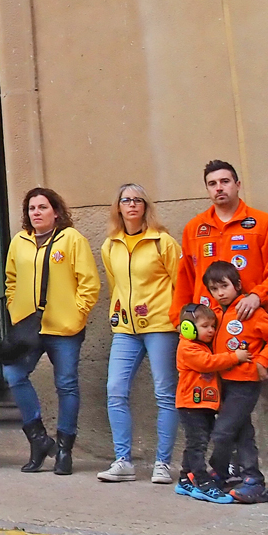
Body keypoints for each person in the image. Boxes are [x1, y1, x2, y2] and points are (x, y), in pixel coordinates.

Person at [174, 160, 268, 501]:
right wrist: (182, 324)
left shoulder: (263, 224)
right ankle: (233, 472)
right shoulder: (195, 229)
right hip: (211, 342)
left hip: (254, 337)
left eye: (225, 181)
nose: (219, 188)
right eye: (212, 183)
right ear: (207, 188)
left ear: (238, 184)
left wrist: (258, 295)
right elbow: (185, 280)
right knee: (223, 410)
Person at [3, 187, 100, 476]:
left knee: (66, 385)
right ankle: (39, 439)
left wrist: (77, 312)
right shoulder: (19, 242)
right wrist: (15, 309)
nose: (36, 212)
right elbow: (11, 280)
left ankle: (65, 449)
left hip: (64, 328)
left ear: (55, 211)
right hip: (29, 327)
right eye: (32, 208)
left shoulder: (71, 239)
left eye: (42, 207)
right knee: (14, 374)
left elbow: (89, 283)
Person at [96, 184, 182, 484]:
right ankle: (123, 460)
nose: (132, 205)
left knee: (165, 393)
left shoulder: (164, 242)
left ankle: (163, 462)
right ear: (118, 207)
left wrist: (177, 320)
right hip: (125, 328)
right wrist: (117, 315)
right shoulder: (110, 245)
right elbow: (114, 284)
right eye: (126, 200)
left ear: (145, 206)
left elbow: (179, 284)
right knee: (115, 390)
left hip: (160, 326)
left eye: (137, 200)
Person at [197, 260, 268, 503]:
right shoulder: (213, 314)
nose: (220, 293)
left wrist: (261, 362)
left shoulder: (251, 312)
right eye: (214, 289)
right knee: (242, 432)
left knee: (223, 431)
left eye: (224, 286)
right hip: (221, 382)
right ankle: (252, 480)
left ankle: (217, 471)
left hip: (245, 382)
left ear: (237, 285)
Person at [173, 302, 246, 504]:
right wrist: (235, 357)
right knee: (198, 444)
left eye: (213, 326)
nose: (211, 330)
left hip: (205, 405)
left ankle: (185, 479)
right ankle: (202, 482)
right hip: (190, 405)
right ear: (188, 327)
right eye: (205, 326)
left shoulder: (202, 346)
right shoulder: (188, 347)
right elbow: (208, 363)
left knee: (197, 442)